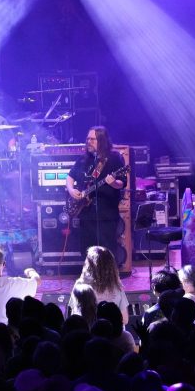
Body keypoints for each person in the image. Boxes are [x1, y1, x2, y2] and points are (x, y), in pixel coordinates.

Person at [65, 126, 127, 262]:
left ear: (102, 140)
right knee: (87, 251)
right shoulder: (83, 159)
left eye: (92, 139)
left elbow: (122, 182)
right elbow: (70, 177)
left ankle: (108, 275)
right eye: (87, 139)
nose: (89, 142)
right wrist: (71, 190)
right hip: (86, 215)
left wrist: (113, 183)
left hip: (106, 215)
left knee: (107, 252)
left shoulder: (114, 158)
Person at [67, 246, 129, 326]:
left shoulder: (80, 285)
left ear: (89, 264)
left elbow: (74, 315)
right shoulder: (116, 286)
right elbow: (125, 319)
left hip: (88, 332)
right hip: (111, 332)